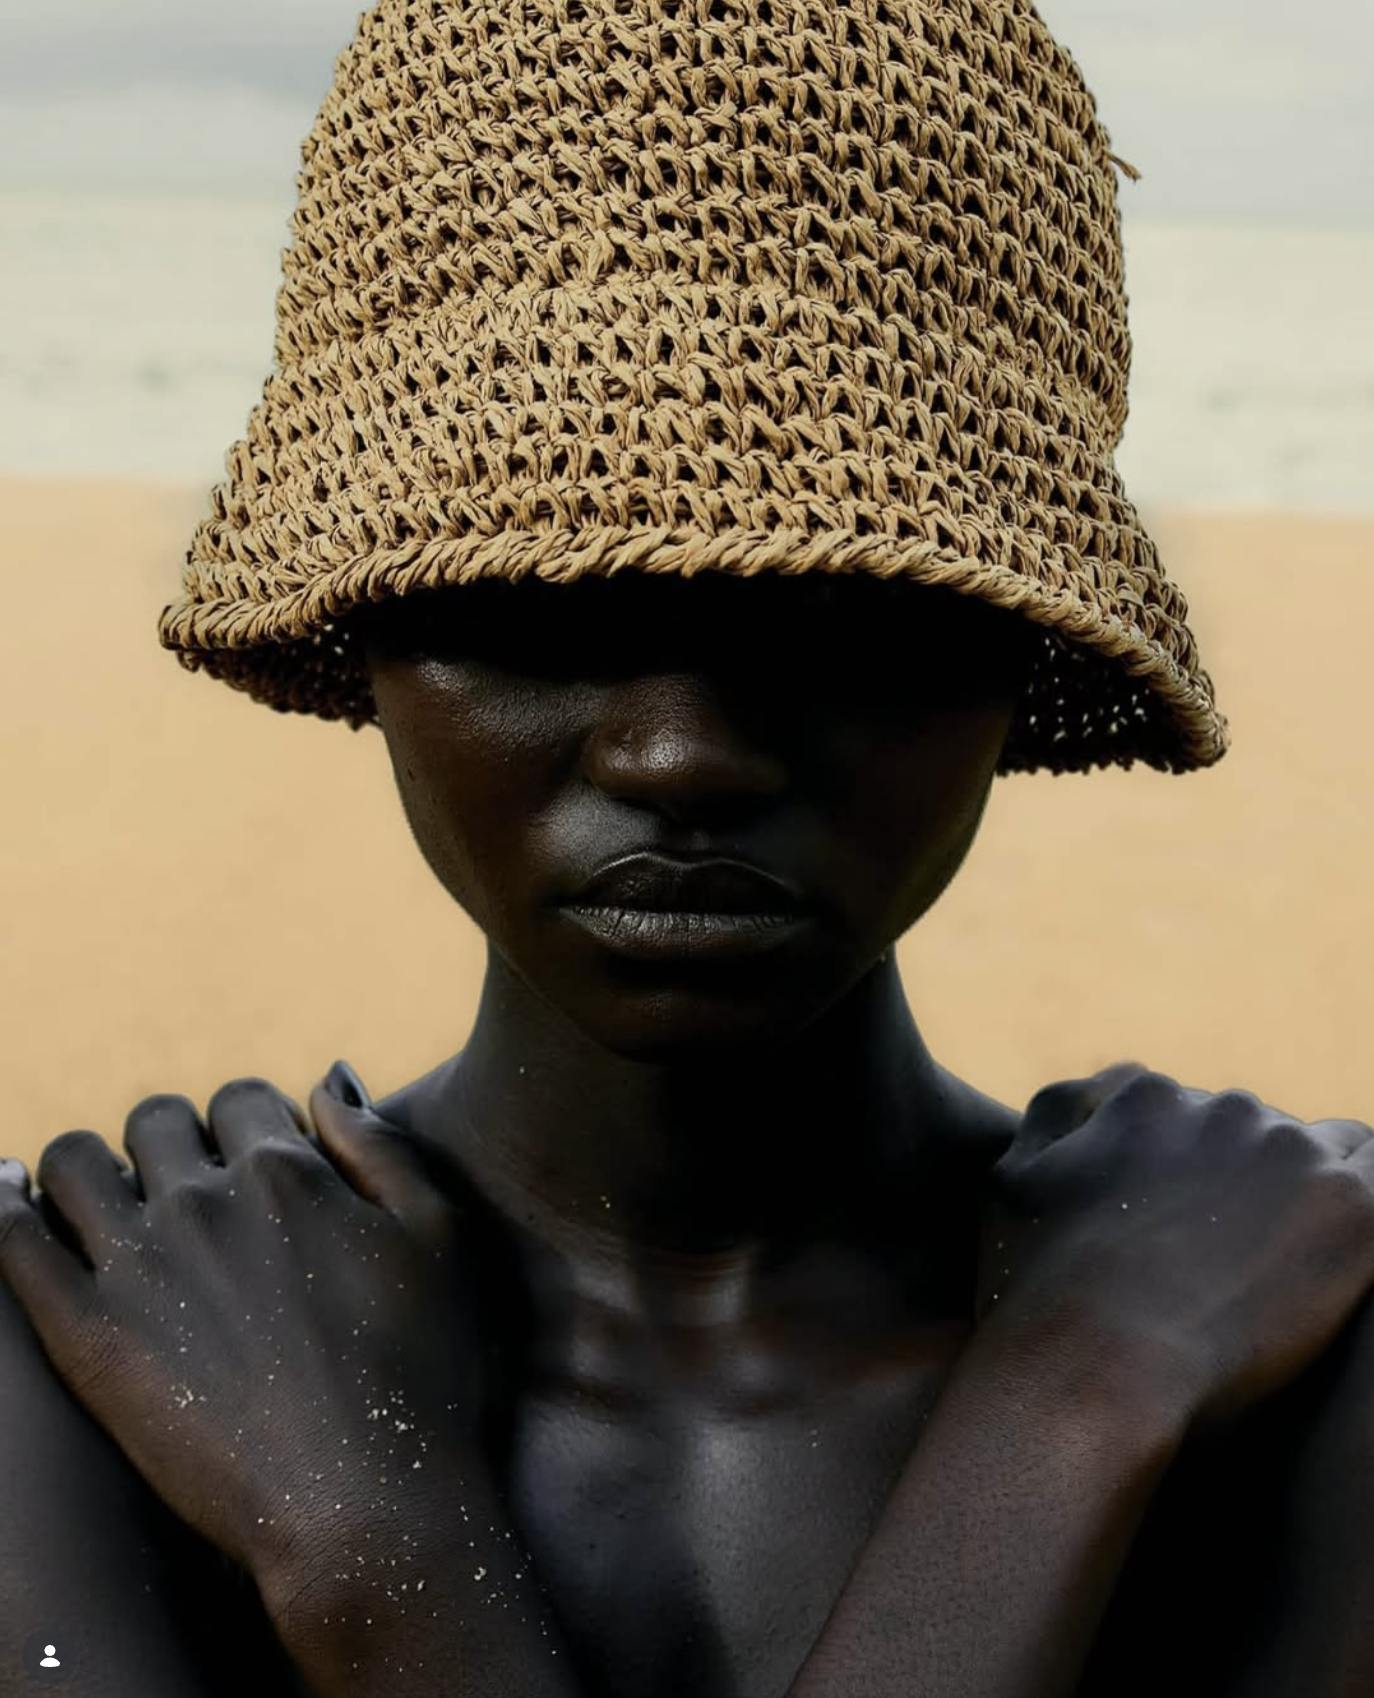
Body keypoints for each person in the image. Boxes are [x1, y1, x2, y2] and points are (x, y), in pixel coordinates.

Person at [4, 2, 1374, 1695]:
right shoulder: (73, 1347)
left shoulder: (1315, 1331)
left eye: (842, 609)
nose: (683, 748)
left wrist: (370, 1550)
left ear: (1020, 664)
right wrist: (1074, 1412)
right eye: (534, 600)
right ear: (363, 634)